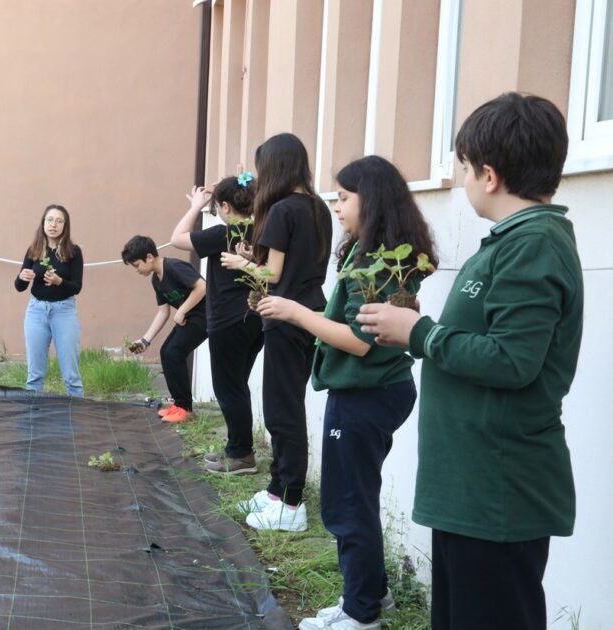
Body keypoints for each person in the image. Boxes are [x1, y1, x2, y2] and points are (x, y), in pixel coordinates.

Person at [358, 93, 582, 630]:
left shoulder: (534, 245)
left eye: (461, 169)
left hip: (498, 496)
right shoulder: (510, 243)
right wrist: (417, 334)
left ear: (488, 175)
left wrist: (421, 333)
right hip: (472, 490)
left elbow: (513, 360)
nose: (459, 182)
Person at [257, 156, 438, 630]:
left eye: (343, 197)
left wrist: (295, 312)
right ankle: (372, 594)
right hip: (374, 390)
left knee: (347, 504)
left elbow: (356, 341)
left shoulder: (380, 262)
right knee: (355, 497)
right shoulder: (376, 253)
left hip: (366, 394)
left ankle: (361, 615)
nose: (336, 206)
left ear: (371, 200)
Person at [222, 134, 333, 532]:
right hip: (308, 313)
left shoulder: (284, 210)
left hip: (287, 319)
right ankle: (275, 491)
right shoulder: (319, 208)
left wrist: (240, 263)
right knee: (286, 407)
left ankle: (289, 502)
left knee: (282, 412)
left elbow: (274, 274)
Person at [170, 174, 264, 473]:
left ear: (224, 206)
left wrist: (196, 206)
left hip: (229, 321)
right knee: (237, 386)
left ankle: (241, 455)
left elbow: (177, 238)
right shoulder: (260, 231)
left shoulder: (226, 232)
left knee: (228, 388)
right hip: (256, 318)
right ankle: (237, 449)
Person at [121, 235, 207, 423]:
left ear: (149, 257)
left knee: (174, 352)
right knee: (166, 352)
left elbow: (202, 286)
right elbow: (163, 312)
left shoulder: (174, 267)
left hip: (206, 317)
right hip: (189, 318)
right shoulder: (156, 280)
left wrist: (182, 310)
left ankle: (185, 409)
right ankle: (178, 404)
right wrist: (145, 340)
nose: (136, 270)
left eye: (136, 265)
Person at [15, 204, 85, 397]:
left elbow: (77, 287)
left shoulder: (74, 252)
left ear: (65, 225)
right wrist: (23, 276)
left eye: (59, 221)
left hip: (64, 311)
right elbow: (19, 287)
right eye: (50, 220)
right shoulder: (34, 250)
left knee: (71, 374)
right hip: (36, 311)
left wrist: (59, 281)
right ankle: (32, 415)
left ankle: (76, 416)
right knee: (35, 374)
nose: (53, 225)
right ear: (43, 223)